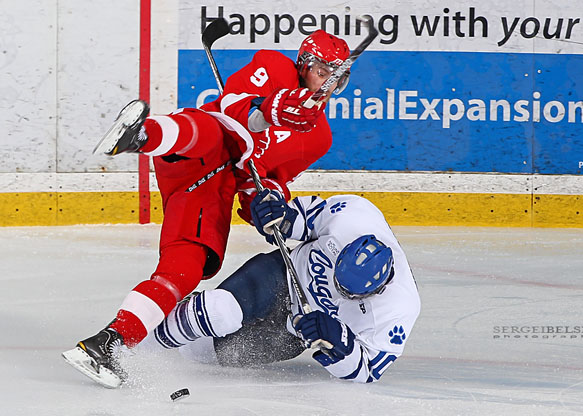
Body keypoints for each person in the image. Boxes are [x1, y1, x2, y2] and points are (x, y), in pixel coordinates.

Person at [62, 29, 352, 388]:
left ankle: (108, 344)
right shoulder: (275, 66)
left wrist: (267, 205)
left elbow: (267, 178)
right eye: (323, 71)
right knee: (215, 131)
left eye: (338, 77)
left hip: (211, 189)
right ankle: (142, 135)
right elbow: (231, 103)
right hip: (191, 151)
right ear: (304, 65)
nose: (328, 83)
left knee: (188, 267)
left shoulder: (319, 137)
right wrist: (267, 110)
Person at [145, 193, 421, 383]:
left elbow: (368, 370)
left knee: (201, 353)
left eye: (347, 293)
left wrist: (341, 344)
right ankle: (133, 345)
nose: (338, 289)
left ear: (376, 291)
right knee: (219, 312)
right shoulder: (354, 216)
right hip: (281, 274)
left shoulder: (399, 308)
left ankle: (183, 317)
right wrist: (279, 216)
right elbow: (302, 220)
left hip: (293, 332)